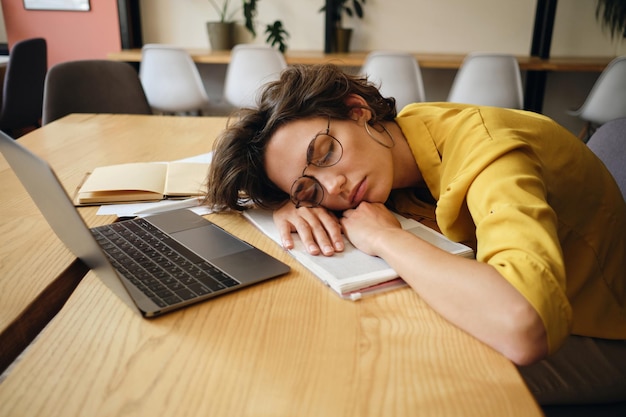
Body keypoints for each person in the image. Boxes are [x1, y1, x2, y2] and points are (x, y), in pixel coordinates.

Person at [205, 63, 626, 405]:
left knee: (386, 389)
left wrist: (387, 239)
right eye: (310, 186)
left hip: (600, 334)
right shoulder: (402, 140)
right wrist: (285, 203)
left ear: (358, 110)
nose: (333, 188)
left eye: (325, 153)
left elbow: (523, 326)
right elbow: (211, 181)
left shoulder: (489, 151)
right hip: (529, 305)